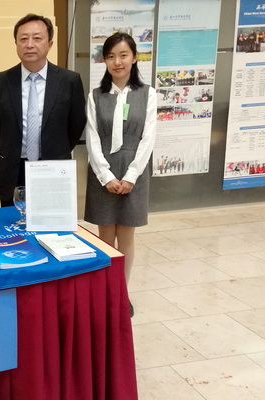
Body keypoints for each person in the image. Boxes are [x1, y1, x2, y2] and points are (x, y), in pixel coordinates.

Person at [83, 32, 157, 317]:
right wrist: (106, 176)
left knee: (126, 234)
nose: (117, 62)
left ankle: (121, 294)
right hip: (103, 171)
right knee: (105, 235)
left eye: (123, 55)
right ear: (104, 60)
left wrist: (131, 176)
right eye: (111, 56)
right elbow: (92, 138)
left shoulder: (148, 94)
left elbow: (148, 139)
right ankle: (105, 292)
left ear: (134, 57)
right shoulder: (96, 95)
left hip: (134, 171)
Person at [0, 13, 86, 207]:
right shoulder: (0, 82)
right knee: (13, 224)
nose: (29, 44)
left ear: (50, 43)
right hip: (13, 170)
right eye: (23, 39)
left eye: (37, 38)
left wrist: (55, 151)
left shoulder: (69, 81)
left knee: (51, 224)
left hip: (53, 168)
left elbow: (76, 125)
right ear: (16, 43)